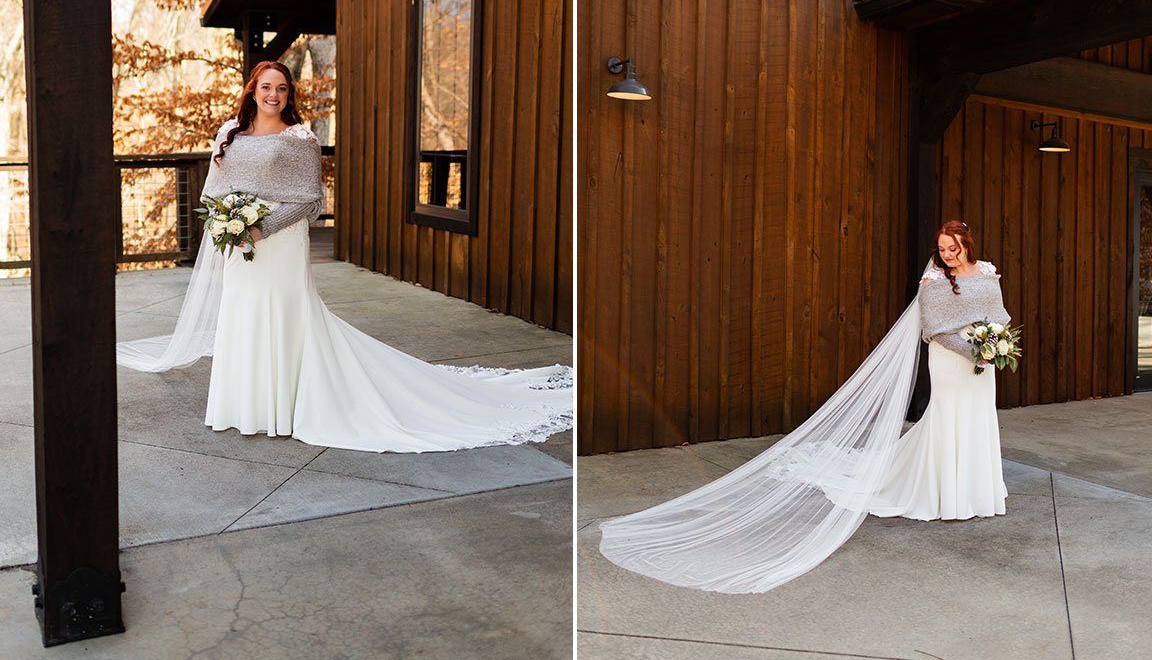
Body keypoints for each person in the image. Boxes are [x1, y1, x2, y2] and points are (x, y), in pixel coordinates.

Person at [117, 61, 571, 453]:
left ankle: (289, 404)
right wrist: (226, 224)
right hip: (240, 245)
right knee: (244, 315)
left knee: (285, 314)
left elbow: (310, 199)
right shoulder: (229, 134)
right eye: (266, 87)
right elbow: (213, 190)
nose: (273, 94)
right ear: (252, 92)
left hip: (279, 241)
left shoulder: (299, 139)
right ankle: (247, 405)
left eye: (282, 87)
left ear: (288, 94)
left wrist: (261, 226)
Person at [598, 220, 1012, 594]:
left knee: (977, 420)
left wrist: (994, 346)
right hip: (952, 360)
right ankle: (948, 496)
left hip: (981, 363)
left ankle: (978, 492)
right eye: (941, 249)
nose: (947, 255)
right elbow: (935, 330)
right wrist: (973, 351)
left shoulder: (987, 274)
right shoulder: (934, 282)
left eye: (953, 248)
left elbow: (1000, 315)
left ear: (966, 244)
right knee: (948, 419)